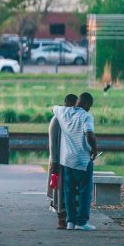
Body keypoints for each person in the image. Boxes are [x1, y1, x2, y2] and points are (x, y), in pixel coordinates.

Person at [52, 92, 98, 231]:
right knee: (85, 191)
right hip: (82, 160)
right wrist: (94, 149)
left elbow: (52, 108)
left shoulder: (62, 112)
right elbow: (89, 134)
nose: (89, 109)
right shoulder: (86, 116)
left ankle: (70, 221)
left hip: (66, 159)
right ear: (86, 104)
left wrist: (65, 108)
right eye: (89, 106)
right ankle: (82, 222)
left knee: (69, 191)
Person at [47, 93, 78, 229]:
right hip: (58, 161)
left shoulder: (72, 119)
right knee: (59, 190)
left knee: (69, 189)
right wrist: (54, 162)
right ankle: (61, 217)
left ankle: (70, 216)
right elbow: (53, 142)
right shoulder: (57, 120)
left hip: (69, 160)